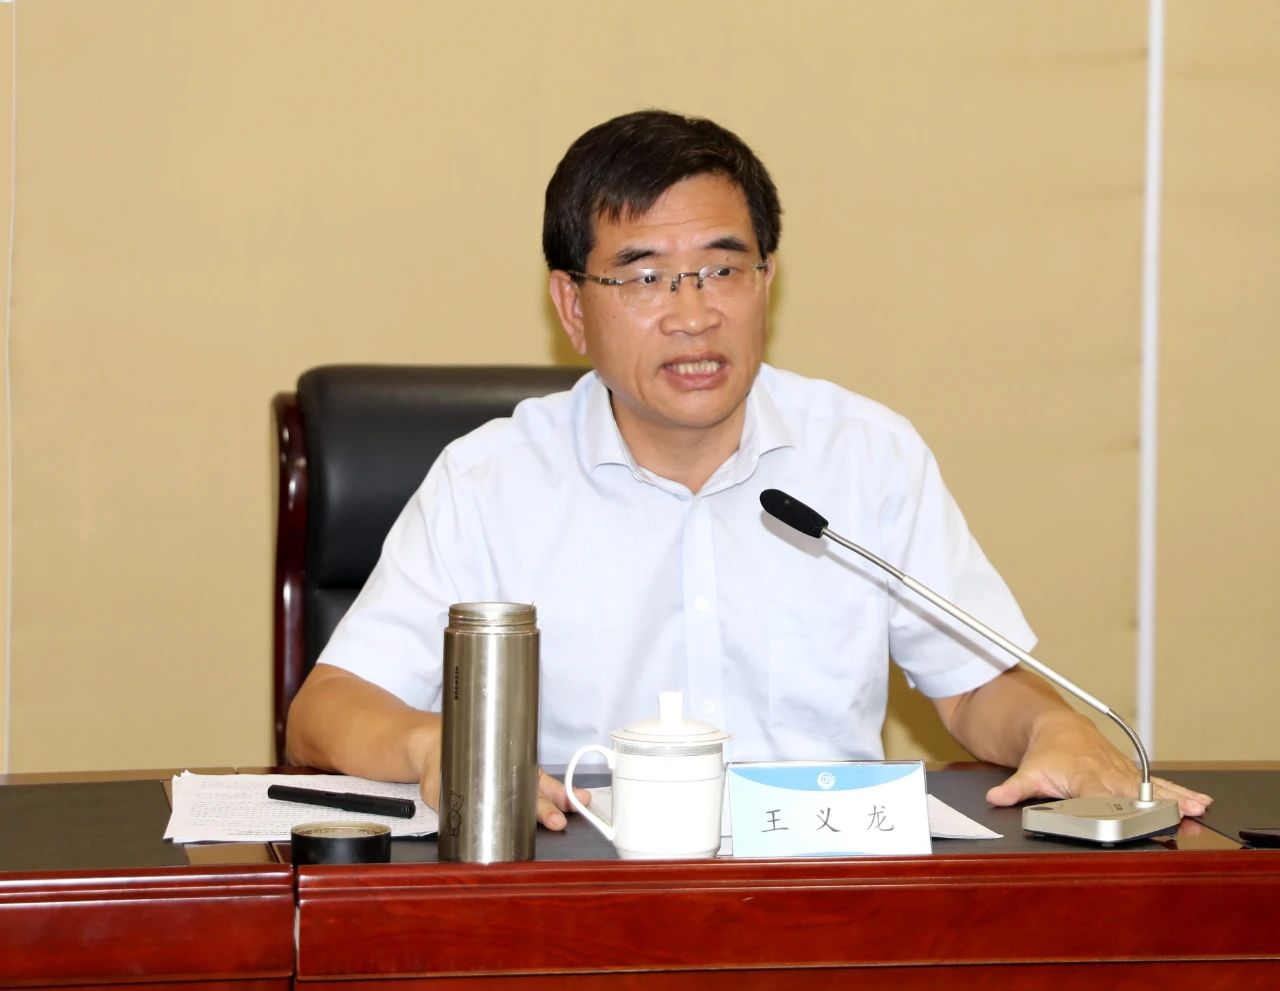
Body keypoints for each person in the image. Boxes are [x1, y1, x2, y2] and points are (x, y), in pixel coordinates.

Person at [286, 110, 1210, 828]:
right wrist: (434, 744)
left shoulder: (863, 454)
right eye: (642, 276)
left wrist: (1055, 729)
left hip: (828, 892)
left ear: (767, 280)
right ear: (572, 306)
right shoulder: (491, 482)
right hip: (583, 888)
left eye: (722, 270)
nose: (692, 315)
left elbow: (973, 684)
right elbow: (326, 712)